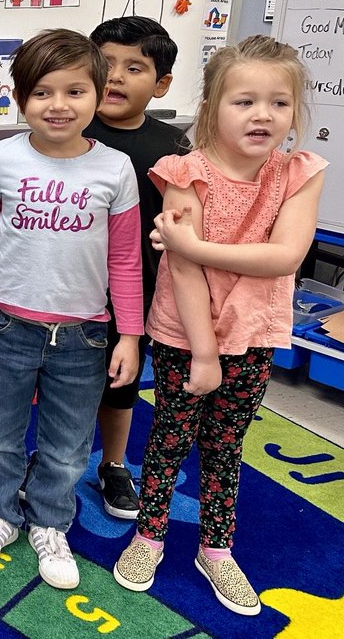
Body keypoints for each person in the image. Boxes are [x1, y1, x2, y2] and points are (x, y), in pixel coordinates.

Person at [113, 36, 326, 616]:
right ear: (211, 106)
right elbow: (181, 269)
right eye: (245, 101)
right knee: (169, 439)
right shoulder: (186, 171)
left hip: (256, 331)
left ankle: (216, 547)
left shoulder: (299, 173)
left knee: (226, 445)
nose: (263, 115)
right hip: (187, 334)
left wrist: (199, 244)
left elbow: (285, 256)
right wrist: (204, 352)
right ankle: (150, 534)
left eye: (279, 104)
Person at [0, 29, 143, 590]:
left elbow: (125, 259)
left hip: (85, 335)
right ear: (21, 98)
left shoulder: (116, 169)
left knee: (68, 444)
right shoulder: (3, 156)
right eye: (43, 92)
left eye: (75, 91)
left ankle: (51, 521)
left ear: (98, 95)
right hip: (8, 324)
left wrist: (130, 336)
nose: (58, 105)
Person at [84, 16, 189, 519]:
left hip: (138, 289)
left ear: (162, 83)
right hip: (66, 287)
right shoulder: (69, 130)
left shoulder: (174, 148)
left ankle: (114, 463)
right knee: (54, 379)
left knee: (120, 380)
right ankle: (46, 458)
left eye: (134, 67)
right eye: (104, 64)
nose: (116, 77)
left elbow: (189, 223)